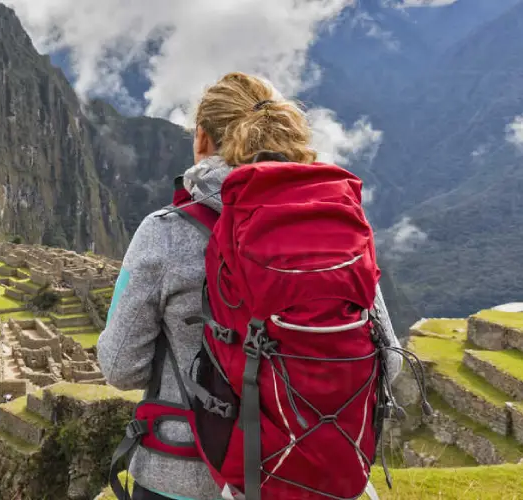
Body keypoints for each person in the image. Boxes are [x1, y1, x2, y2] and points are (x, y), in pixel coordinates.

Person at [96, 72, 404, 500]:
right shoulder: (333, 227)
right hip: (311, 473)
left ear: (202, 138)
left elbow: (120, 367)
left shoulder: (165, 233)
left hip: (183, 477)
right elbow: (388, 361)